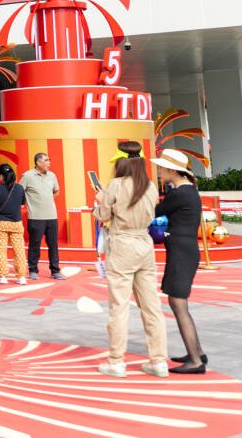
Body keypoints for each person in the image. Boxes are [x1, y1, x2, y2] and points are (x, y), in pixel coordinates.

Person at [94, 155, 169, 377]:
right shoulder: (150, 186)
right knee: (152, 306)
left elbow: (103, 215)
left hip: (122, 244)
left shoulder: (115, 185)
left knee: (119, 306)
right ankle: (159, 361)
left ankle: (116, 361)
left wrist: (100, 200)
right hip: (145, 243)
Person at [153, 148, 206, 374]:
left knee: (178, 303)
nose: (159, 171)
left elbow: (153, 211)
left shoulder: (179, 194)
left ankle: (195, 361)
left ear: (173, 170)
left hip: (181, 253)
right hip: (185, 250)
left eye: (161, 168)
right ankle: (197, 352)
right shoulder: (188, 190)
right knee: (179, 302)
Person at [19, 152, 64, 280]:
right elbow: (19, 192)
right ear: (38, 162)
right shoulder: (27, 176)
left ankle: (55, 270)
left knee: (53, 245)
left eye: (49, 160)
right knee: (35, 245)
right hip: (35, 217)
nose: (49, 163)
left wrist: (47, 199)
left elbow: (56, 191)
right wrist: (30, 202)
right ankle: (33, 270)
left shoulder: (52, 175)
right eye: (46, 160)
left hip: (52, 216)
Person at [0, 163, 28, 285]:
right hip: (16, 223)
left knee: (1, 250)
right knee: (19, 250)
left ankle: (4, 276)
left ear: (1, 176)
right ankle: (21, 276)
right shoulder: (19, 188)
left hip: (1, 223)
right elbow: (22, 204)